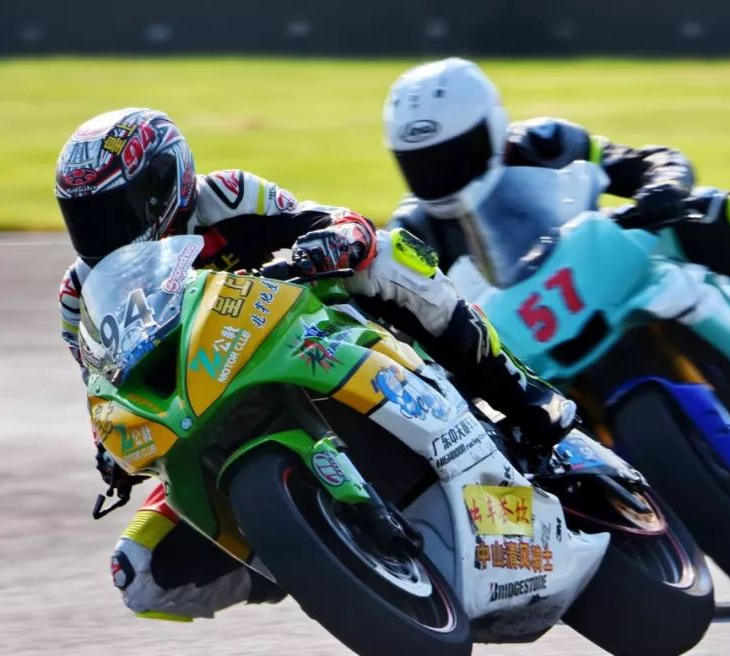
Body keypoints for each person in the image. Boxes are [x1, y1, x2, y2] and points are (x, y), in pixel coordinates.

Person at [55, 107, 577, 619]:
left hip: (304, 335)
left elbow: (334, 220)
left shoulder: (227, 197)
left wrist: (339, 239)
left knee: (389, 253)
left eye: (113, 214)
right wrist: (109, 447)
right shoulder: (80, 295)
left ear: (162, 185)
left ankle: (517, 390)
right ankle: (309, 558)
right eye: (85, 220)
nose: (101, 234)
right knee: (139, 571)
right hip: (197, 410)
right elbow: (104, 386)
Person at [383, 57, 730, 384]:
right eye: (421, 163)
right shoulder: (414, 228)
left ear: (492, 128)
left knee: (722, 212)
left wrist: (663, 187)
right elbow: (406, 322)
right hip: (523, 343)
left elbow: (647, 161)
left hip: (602, 273)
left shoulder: (544, 143)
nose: (440, 175)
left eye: (454, 153)